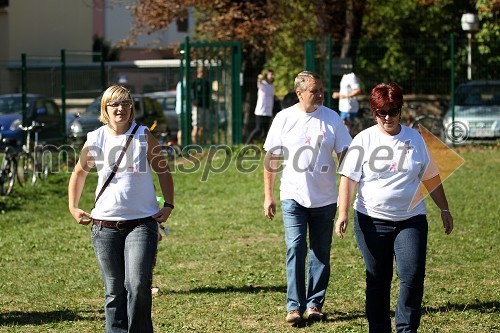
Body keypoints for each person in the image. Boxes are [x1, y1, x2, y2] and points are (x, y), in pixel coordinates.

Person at [335, 82, 454, 333]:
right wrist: (343, 213)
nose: (388, 117)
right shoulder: (364, 139)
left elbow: (430, 176)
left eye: (393, 110)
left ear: (401, 109)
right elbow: (348, 179)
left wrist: (444, 209)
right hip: (371, 220)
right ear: (373, 112)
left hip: (411, 220)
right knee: (378, 279)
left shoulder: (414, 138)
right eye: (382, 112)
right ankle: (379, 329)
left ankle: (406, 329)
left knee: (412, 277)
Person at [68, 85, 174, 333]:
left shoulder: (143, 135)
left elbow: (163, 170)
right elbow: (79, 173)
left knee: (137, 285)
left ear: (131, 108)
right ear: (105, 109)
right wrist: (73, 207)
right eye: (114, 104)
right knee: (114, 291)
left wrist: (168, 204)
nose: (120, 108)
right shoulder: (95, 138)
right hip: (104, 227)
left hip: (141, 223)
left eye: (125, 103)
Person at [263, 71, 352, 325]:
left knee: (321, 251)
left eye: (322, 89)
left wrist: (347, 189)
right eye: (315, 91)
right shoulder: (284, 118)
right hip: (293, 196)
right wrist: (269, 195)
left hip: (325, 199)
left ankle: (314, 304)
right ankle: (294, 307)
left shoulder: (332, 118)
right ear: (299, 93)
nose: (321, 94)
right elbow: (271, 160)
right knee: (296, 247)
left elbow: (345, 155)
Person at [246, 69, 275, 144]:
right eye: (270, 74)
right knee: (258, 129)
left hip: (268, 112)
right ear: (267, 75)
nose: (272, 76)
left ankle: (262, 146)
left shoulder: (271, 86)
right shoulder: (263, 84)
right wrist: (259, 78)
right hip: (261, 111)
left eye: (273, 74)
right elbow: (259, 83)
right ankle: (247, 143)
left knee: (266, 132)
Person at [191, 66, 211, 144]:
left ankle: (202, 143)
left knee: (204, 127)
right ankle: (195, 144)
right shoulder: (195, 82)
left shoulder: (207, 83)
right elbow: (192, 94)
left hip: (205, 106)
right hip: (197, 107)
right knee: (196, 126)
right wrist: (194, 101)